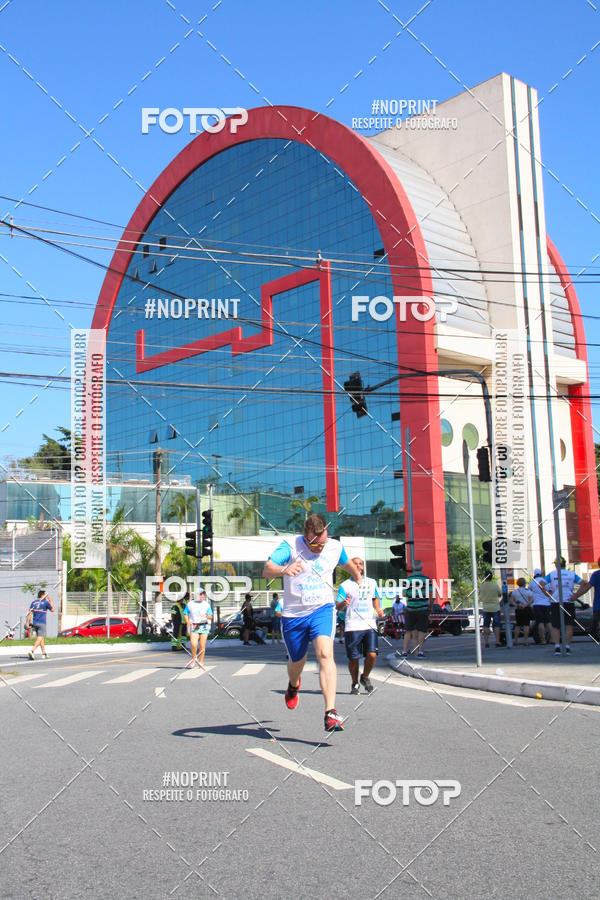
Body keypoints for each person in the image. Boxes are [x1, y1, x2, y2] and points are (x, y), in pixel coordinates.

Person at [262, 512, 362, 732]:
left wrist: (358, 578)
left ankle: (331, 713)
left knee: (325, 654)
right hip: (293, 615)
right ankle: (293, 685)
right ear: (305, 537)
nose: (319, 548)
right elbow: (267, 569)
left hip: (322, 609)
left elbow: (348, 564)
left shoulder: (334, 546)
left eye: (322, 543)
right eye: (314, 544)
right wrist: (283, 569)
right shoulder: (290, 545)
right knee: (297, 662)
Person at [336, 557, 384, 694]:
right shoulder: (345, 585)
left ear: (363, 567)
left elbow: (375, 598)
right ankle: (354, 682)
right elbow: (337, 605)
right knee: (354, 658)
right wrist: (343, 603)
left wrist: (378, 609)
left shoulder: (372, 582)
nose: (357, 566)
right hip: (353, 625)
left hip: (369, 623)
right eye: (355, 564)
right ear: (350, 567)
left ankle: (365, 677)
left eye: (360, 564)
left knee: (372, 654)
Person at [544, 557, 586, 654]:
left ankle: (557, 647)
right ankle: (567, 647)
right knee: (569, 625)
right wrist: (575, 596)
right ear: (565, 564)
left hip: (556, 601)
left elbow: (541, 583)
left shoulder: (552, 574)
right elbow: (583, 583)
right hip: (569, 601)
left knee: (555, 625)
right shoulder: (571, 574)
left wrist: (548, 594)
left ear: (555, 565)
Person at [400, 562, 432, 658]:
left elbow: (404, 594)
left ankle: (404, 651)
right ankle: (420, 651)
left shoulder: (407, 580)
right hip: (423, 608)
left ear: (412, 568)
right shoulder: (426, 580)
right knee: (422, 630)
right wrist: (430, 605)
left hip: (411, 608)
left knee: (408, 630)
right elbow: (431, 594)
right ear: (421, 568)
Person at [569, 558, 600, 640]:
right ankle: (594, 633)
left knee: (596, 621)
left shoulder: (596, 575)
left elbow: (587, 588)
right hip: (598, 604)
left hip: (598, 605)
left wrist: (575, 596)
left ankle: (594, 633)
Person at [183, 589, 213, 668]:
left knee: (202, 646)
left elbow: (210, 616)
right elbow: (185, 613)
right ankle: (193, 659)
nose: (202, 596)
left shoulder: (206, 604)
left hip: (204, 626)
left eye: (203, 595)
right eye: (200, 594)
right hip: (194, 626)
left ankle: (201, 662)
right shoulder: (190, 604)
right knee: (193, 644)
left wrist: (206, 616)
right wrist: (187, 621)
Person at [26, 589, 55, 660]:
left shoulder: (34, 603)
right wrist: (50, 601)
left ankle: (44, 653)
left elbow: (29, 613)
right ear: (43, 595)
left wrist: (27, 622)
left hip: (35, 622)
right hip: (42, 623)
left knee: (41, 638)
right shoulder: (45, 602)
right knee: (40, 637)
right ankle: (32, 650)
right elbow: (52, 610)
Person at [527, 569, 553, 645]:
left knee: (540, 622)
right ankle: (552, 639)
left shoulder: (532, 582)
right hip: (547, 604)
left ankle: (543, 640)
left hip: (537, 604)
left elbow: (530, 592)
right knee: (548, 622)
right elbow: (550, 591)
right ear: (541, 574)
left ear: (534, 574)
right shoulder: (545, 581)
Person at [479, 571, 502, 648]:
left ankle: (486, 642)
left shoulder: (481, 586)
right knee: (496, 625)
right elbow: (499, 594)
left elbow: (480, 594)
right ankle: (497, 641)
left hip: (486, 608)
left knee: (486, 625)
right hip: (495, 607)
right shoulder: (495, 585)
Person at [510, 577, 534, 646]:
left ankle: (515, 640)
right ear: (524, 583)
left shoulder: (515, 592)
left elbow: (511, 601)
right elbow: (532, 600)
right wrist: (525, 605)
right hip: (526, 609)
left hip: (518, 609)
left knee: (518, 625)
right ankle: (525, 641)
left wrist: (517, 605)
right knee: (526, 625)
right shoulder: (528, 591)